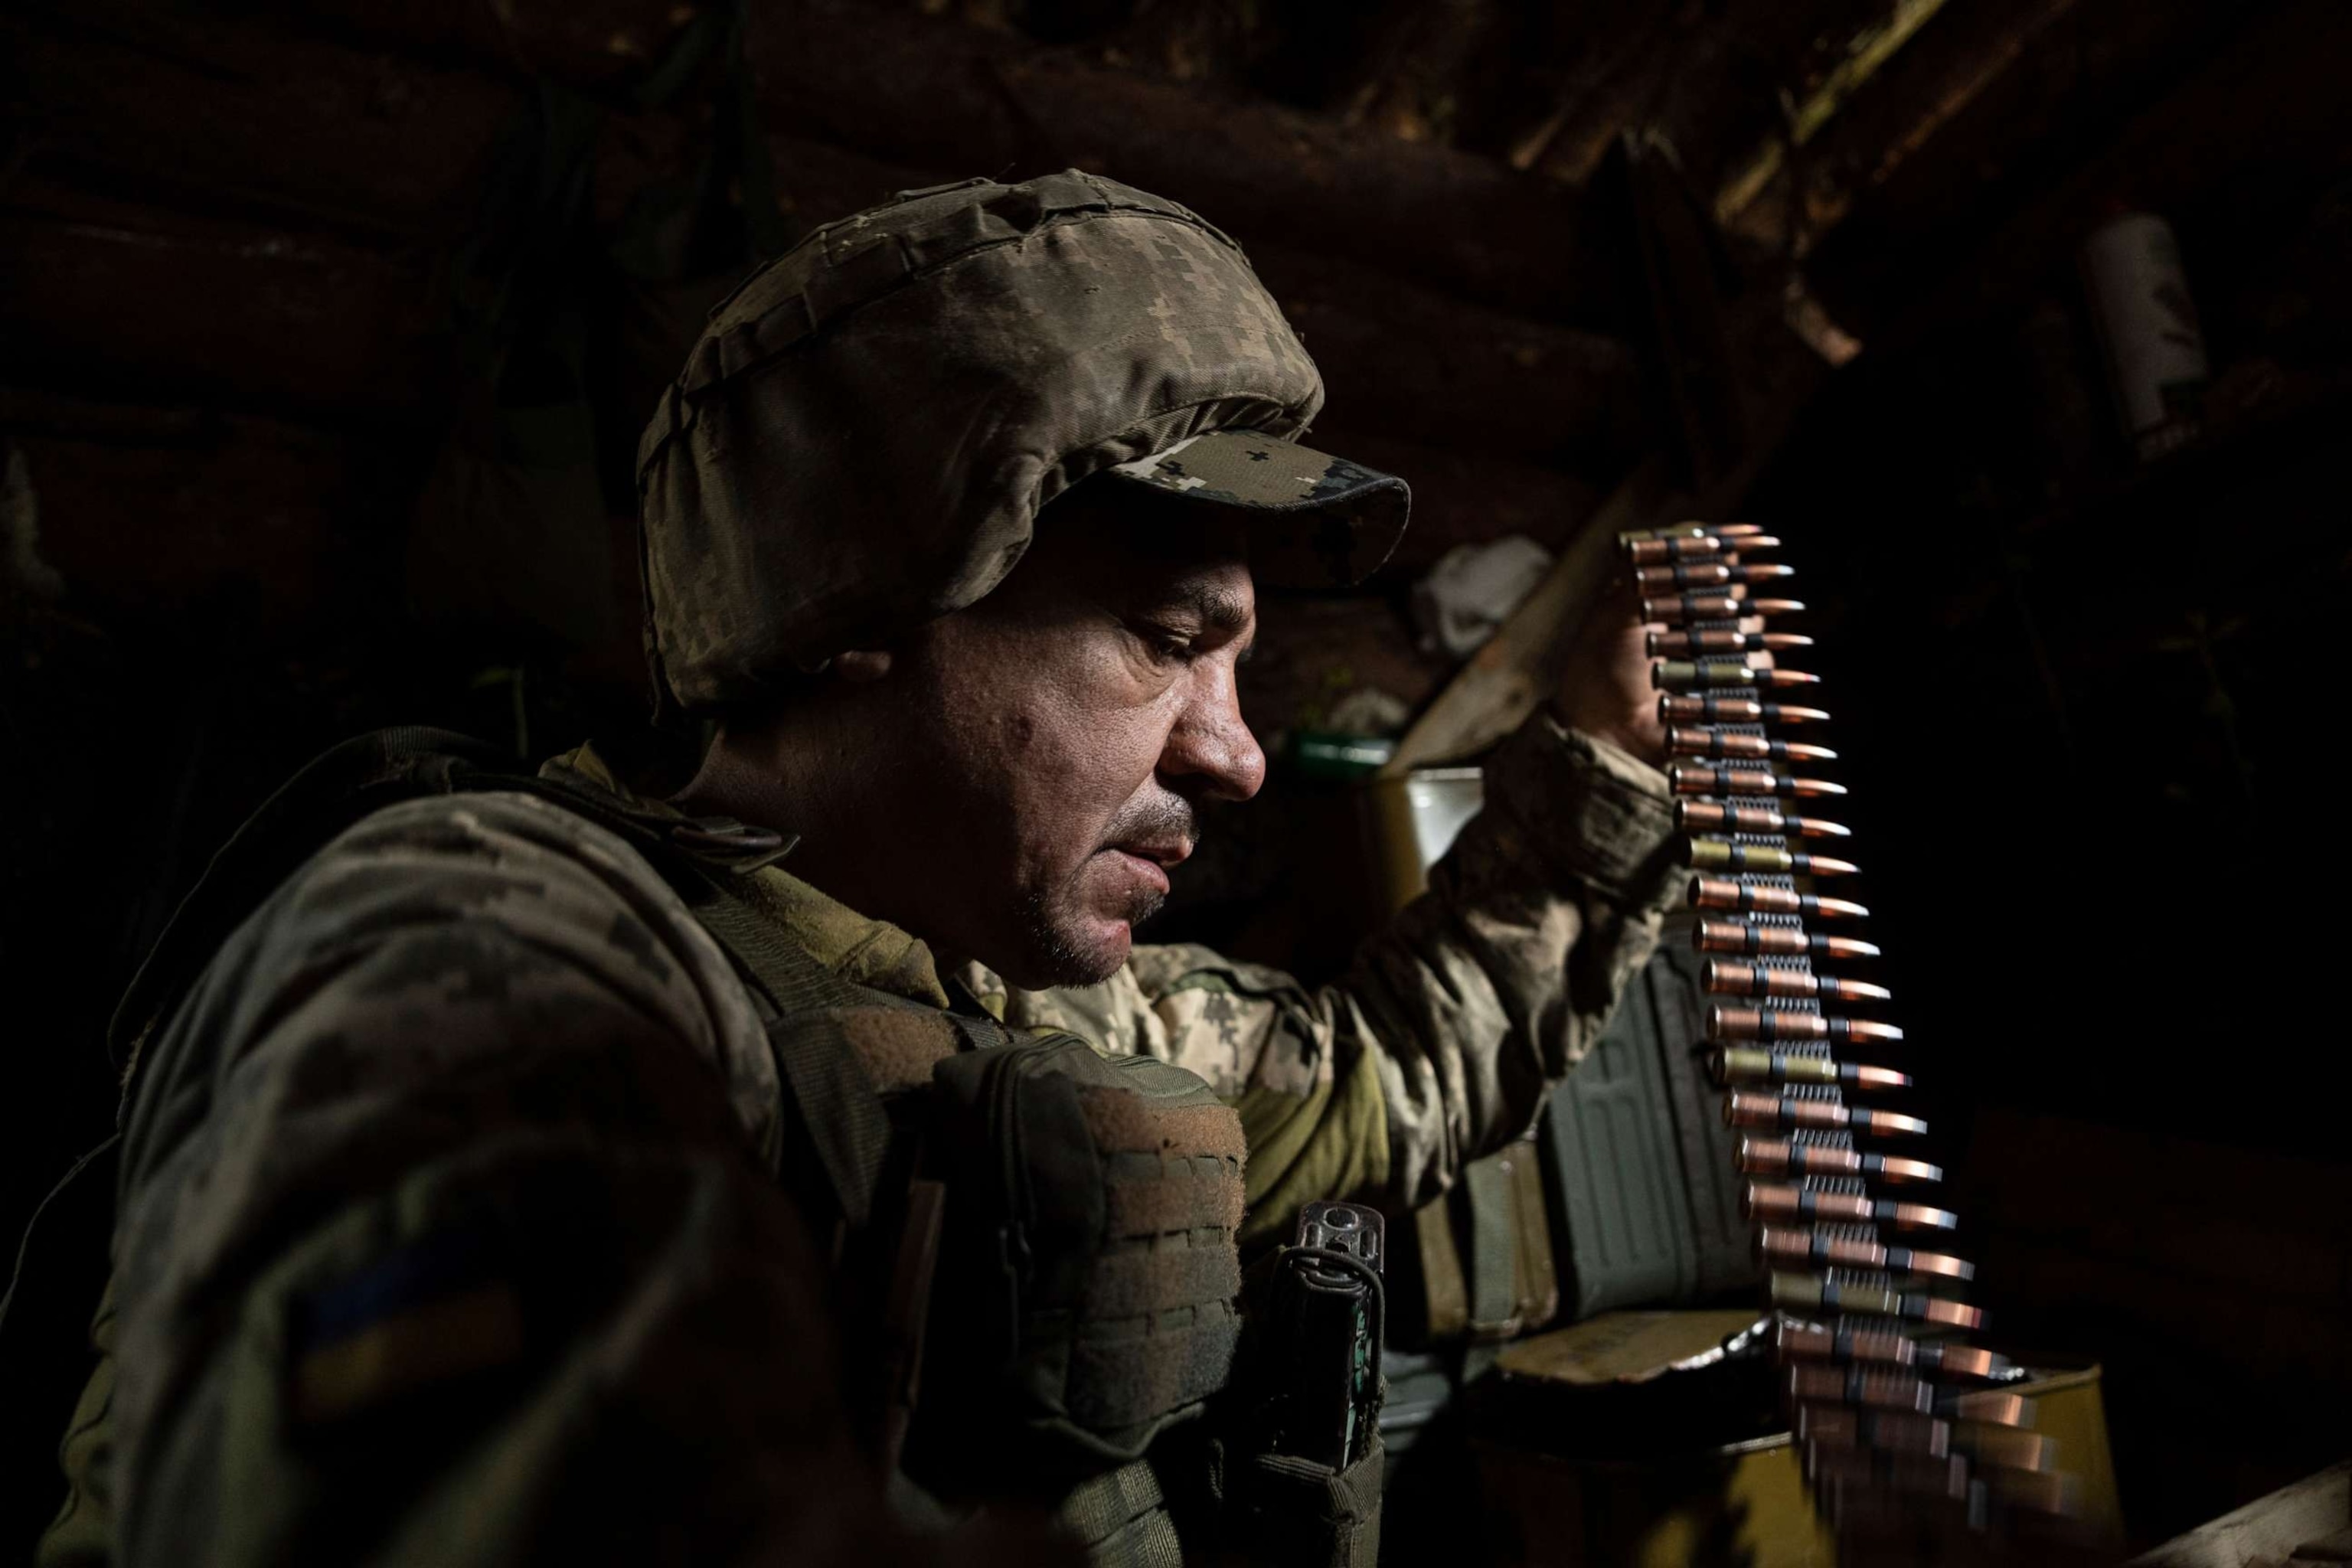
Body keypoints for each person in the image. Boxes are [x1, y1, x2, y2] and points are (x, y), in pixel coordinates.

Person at [34, 172, 1679, 1566]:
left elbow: (1394, 1074)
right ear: (854, 616)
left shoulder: (1034, 991)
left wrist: (1605, 755)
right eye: (1168, 643)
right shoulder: (491, 949)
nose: (1234, 753)